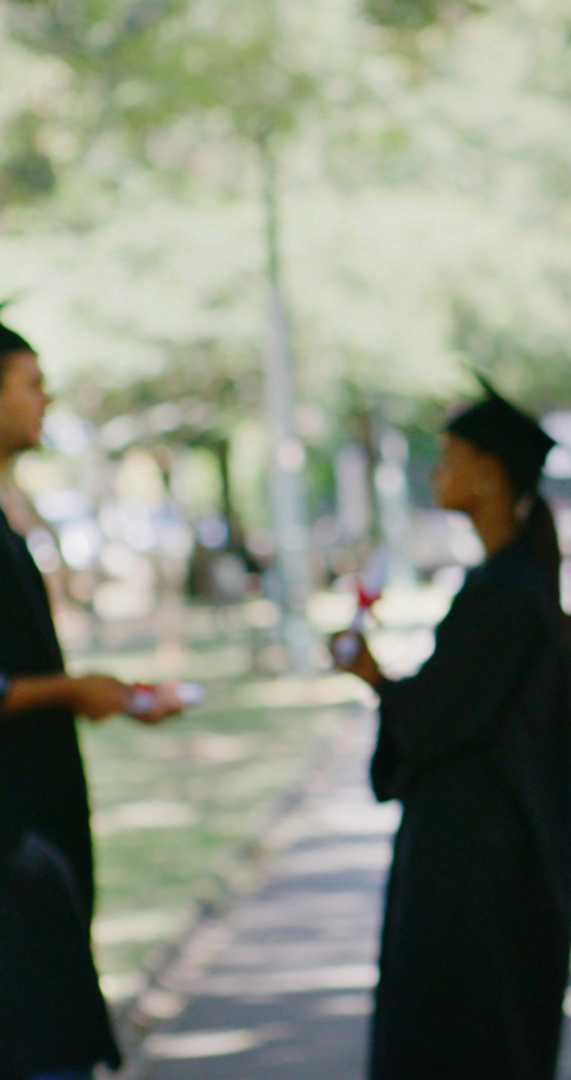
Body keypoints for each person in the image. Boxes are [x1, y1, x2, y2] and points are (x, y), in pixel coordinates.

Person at [333, 380, 571, 1080]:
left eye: (448, 457)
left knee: (458, 1041)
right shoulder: (514, 585)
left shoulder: (506, 594)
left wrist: (375, 678)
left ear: (488, 473)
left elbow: (437, 722)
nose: (435, 473)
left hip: (476, 876)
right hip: (482, 862)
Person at [0, 319, 182, 1080]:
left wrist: (96, 695)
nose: (46, 399)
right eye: (30, 383)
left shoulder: (9, 524)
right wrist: (75, 689)